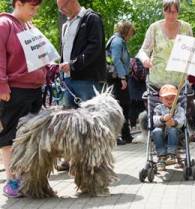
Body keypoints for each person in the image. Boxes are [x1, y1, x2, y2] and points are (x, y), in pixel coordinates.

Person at [0, 0, 46, 197]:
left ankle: (26, 179)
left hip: (34, 90)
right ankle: (12, 181)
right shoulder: (4, 25)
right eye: (32, 8)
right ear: (18, 3)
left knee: (31, 138)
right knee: (11, 136)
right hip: (14, 91)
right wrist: (2, 85)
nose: (35, 12)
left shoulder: (28, 26)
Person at [56, 0, 107, 170]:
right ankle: (70, 157)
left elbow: (95, 47)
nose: (61, 11)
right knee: (67, 121)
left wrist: (73, 64)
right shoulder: (66, 24)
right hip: (68, 80)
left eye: (63, 7)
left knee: (90, 122)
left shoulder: (91, 19)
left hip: (87, 79)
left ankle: (94, 160)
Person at [136, 0, 193, 88]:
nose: (170, 15)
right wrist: (145, 59)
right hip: (157, 83)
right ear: (163, 11)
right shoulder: (154, 28)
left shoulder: (186, 28)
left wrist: (191, 74)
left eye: (174, 12)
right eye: (168, 12)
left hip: (180, 84)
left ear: (178, 11)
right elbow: (143, 51)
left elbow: (191, 52)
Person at [106, 20, 135, 145]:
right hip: (117, 78)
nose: (131, 35)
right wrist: (122, 77)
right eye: (131, 32)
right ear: (126, 31)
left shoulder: (117, 41)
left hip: (117, 77)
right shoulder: (117, 42)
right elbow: (116, 60)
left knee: (124, 105)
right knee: (121, 106)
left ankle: (126, 135)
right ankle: (118, 136)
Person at [152, 84, 185, 171]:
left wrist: (174, 122)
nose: (170, 101)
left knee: (172, 129)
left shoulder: (179, 109)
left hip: (176, 134)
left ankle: (171, 154)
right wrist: (162, 118)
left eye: (172, 98)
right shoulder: (158, 108)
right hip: (161, 133)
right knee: (156, 131)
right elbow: (155, 119)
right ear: (161, 99)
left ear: (177, 98)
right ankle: (161, 156)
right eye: (166, 98)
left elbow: (182, 120)